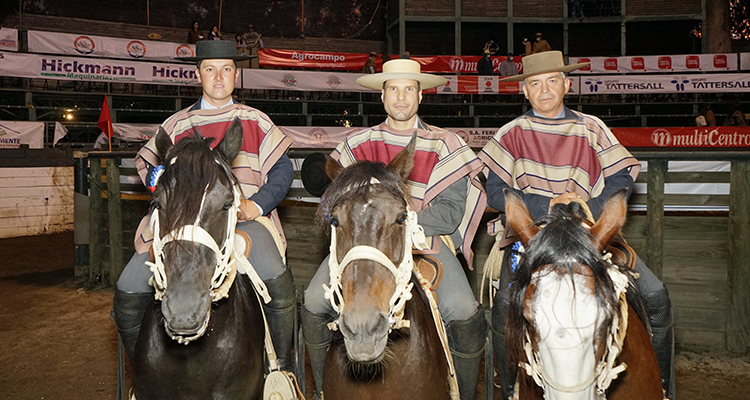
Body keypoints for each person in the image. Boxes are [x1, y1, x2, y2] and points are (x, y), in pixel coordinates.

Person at [478, 51, 675, 400]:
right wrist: (544, 204)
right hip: (532, 235)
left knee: (655, 294)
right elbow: (495, 191)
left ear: (567, 84)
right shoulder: (510, 134)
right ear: (524, 90)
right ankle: (508, 390)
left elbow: (621, 180)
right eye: (535, 83)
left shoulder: (592, 127)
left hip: (587, 232)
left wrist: (586, 205)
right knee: (506, 304)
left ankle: (663, 388)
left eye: (552, 81)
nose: (545, 89)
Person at [301, 59, 488, 400]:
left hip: (424, 241)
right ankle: (319, 390)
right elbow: (331, 205)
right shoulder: (355, 144)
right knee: (314, 300)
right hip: (363, 244)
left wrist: (399, 221)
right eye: (393, 89)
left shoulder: (446, 143)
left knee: (463, 310)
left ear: (420, 96)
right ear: (382, 96)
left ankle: (463, 392)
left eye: (408, 89)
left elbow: (448, 213)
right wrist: (364, 220)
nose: (401, 97)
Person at [112, 40, 297, 384]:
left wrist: (256, 205)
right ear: (198, 74)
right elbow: (152, 170)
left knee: (275, 277)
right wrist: (165, 188)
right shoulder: (178, 124)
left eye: (226, 69)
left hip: (243, 220)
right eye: (210, 69)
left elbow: (283, 170)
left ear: (236, 74)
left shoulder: (254, 120)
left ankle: (280, 368)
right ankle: (140, 373)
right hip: (183, 227)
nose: (218, 77)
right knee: (128, 285)